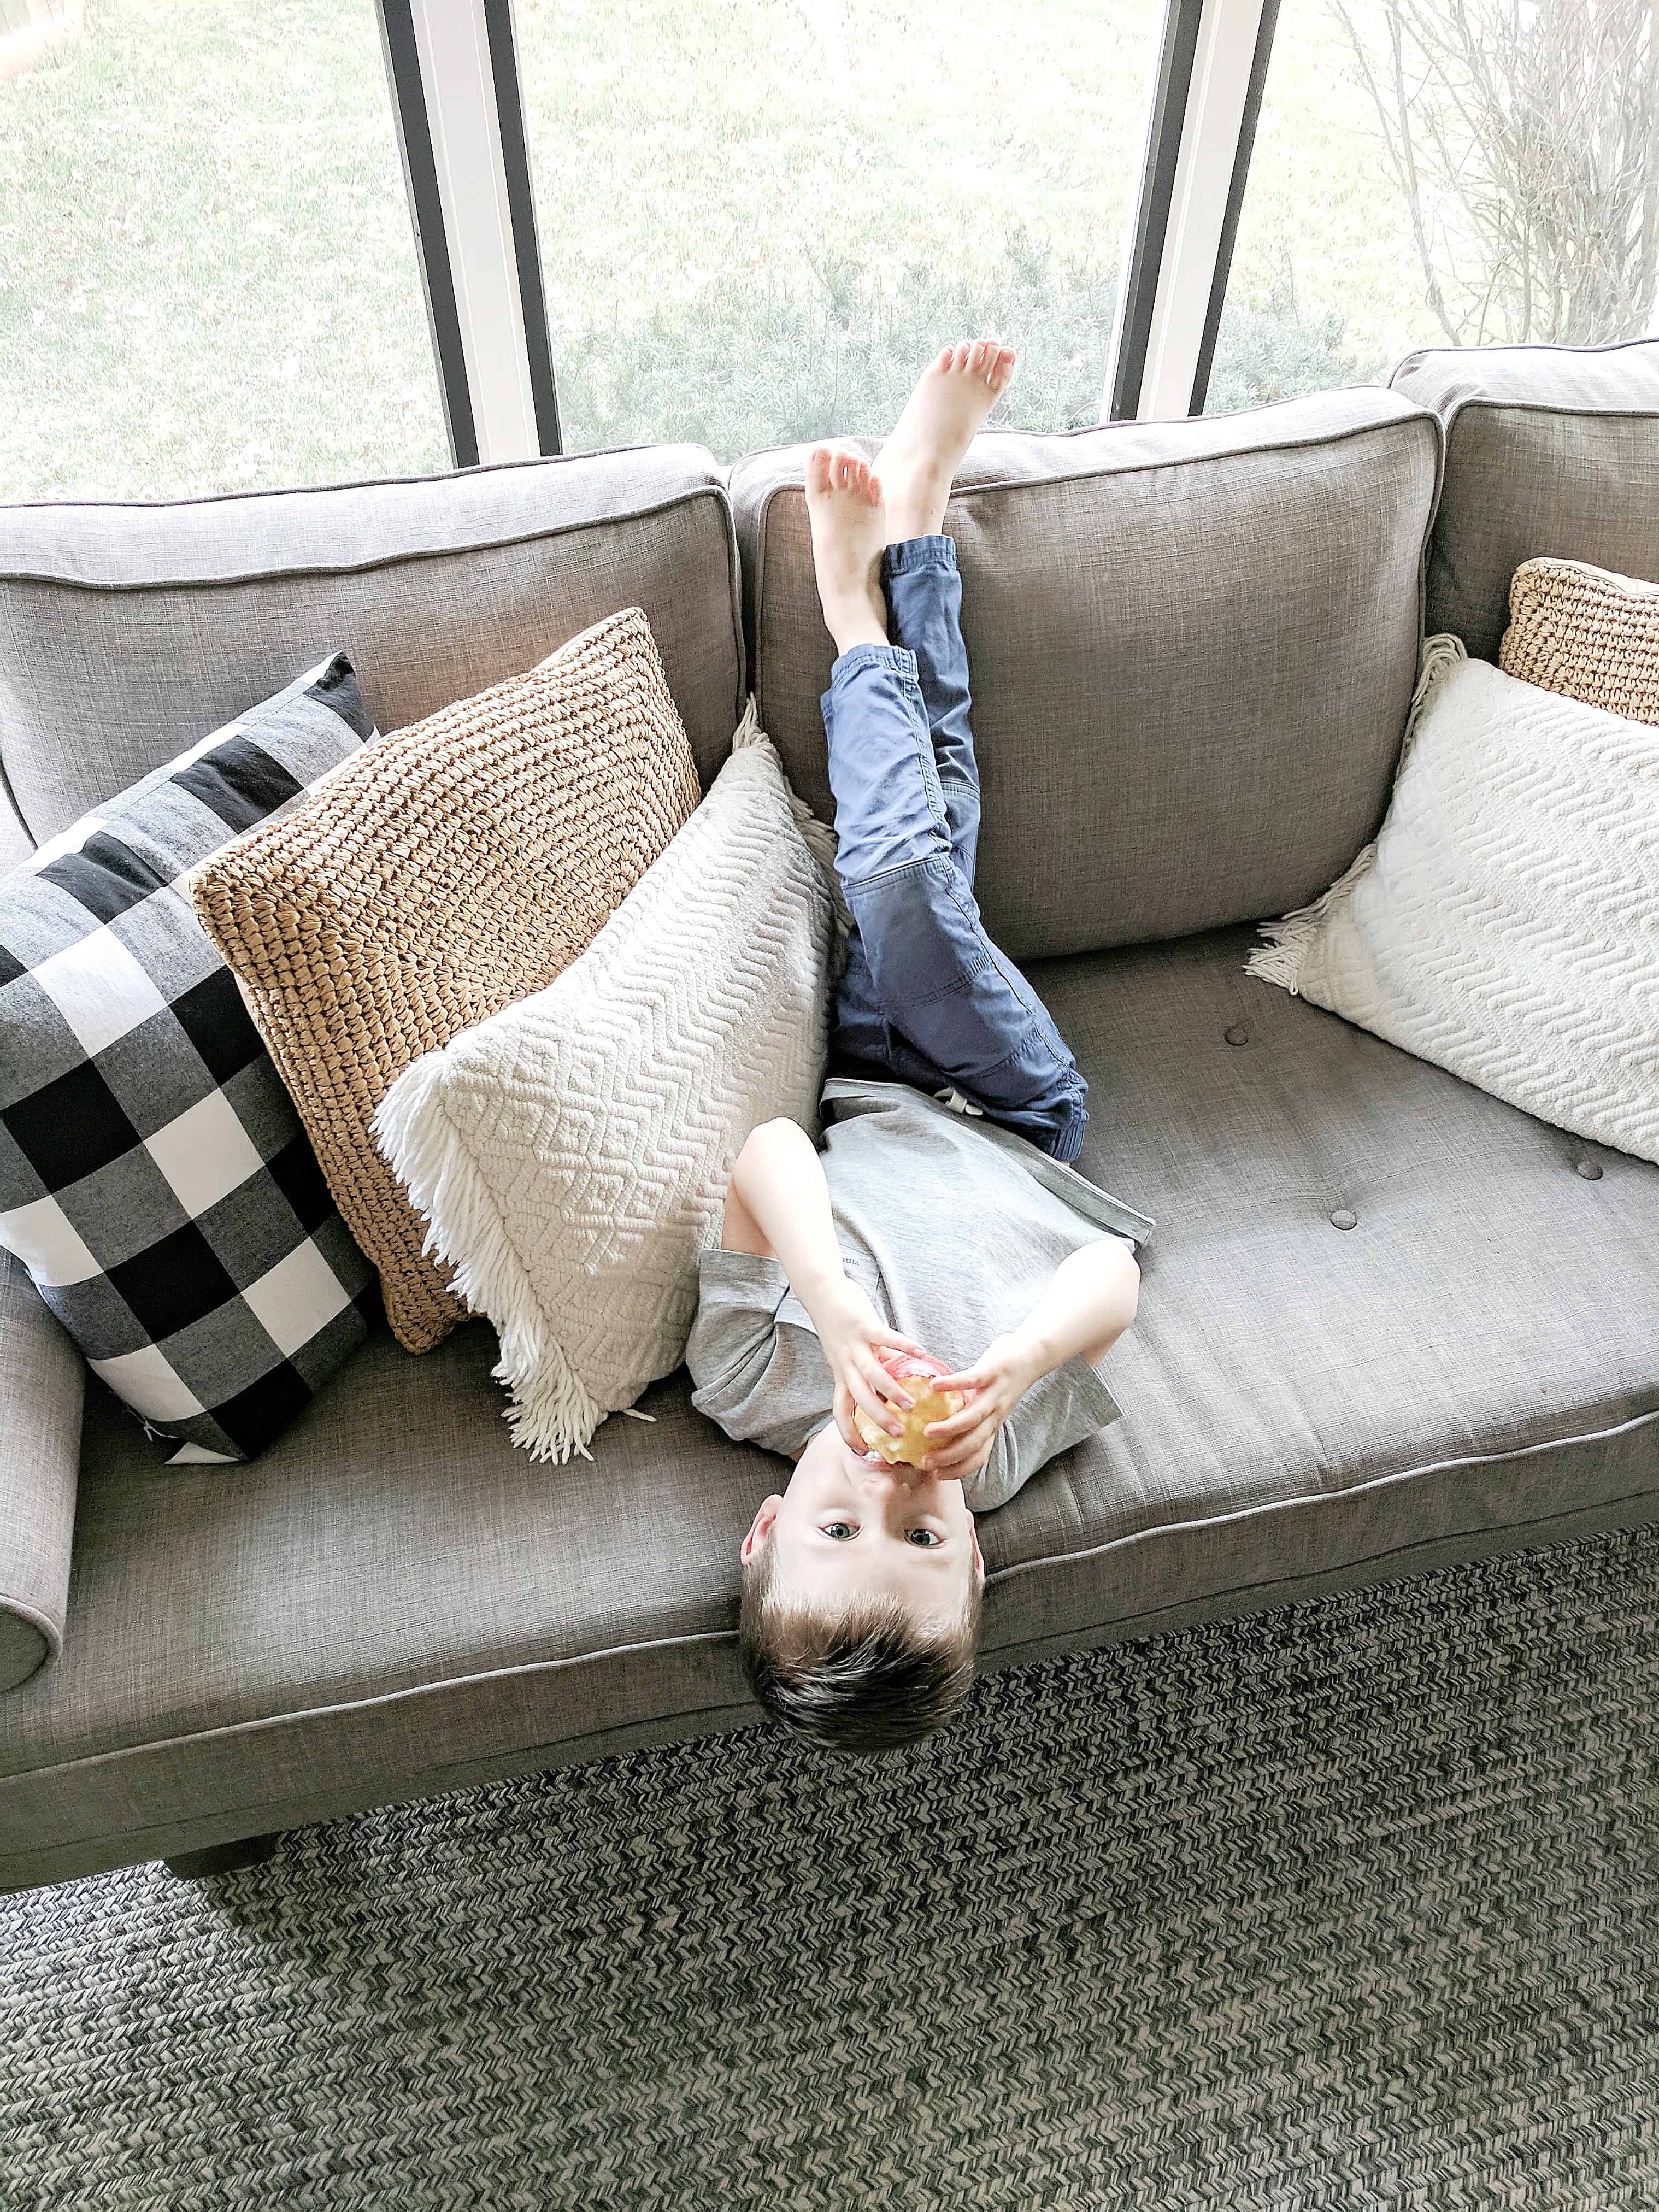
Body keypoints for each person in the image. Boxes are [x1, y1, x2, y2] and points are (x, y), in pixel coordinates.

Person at [685, 342, 1150, 1754]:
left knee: (918, 858)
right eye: (924, 1536)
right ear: (977, 1554)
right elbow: (1113, 1271)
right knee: (899, 884)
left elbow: (768, 1155)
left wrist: (827, 1308)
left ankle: (897, 551)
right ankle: (871, 589)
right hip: (1014, 1111)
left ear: (768, 1523)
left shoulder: (747, 1378)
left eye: (840, 1521)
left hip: (872, 1077)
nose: (894, 1486)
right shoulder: (992, 1447)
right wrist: (1010, 1365)